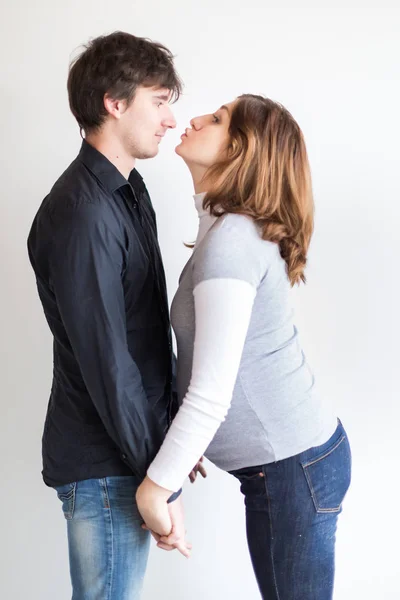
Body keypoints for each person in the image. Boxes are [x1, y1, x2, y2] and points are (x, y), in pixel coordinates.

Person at [136, 94, 352, 599]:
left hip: (294, 468)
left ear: (241, 150)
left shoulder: (232, 242)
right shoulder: (224, 230)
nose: (193, 119)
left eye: (216, 119)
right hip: (291, 467)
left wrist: (157, 486)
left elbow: (213, 393)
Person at [27, 31, 191, 600]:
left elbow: (141, 334)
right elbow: (108, 362)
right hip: (106, 465)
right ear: (114, 104)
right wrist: (158, 476)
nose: (171, 120)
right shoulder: (81, 213)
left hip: (126, 458)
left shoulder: (127, 190)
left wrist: (170, 442)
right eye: (160, 100)